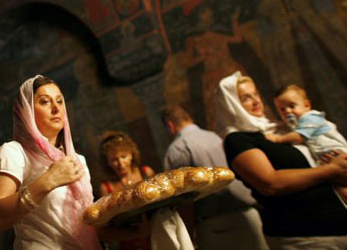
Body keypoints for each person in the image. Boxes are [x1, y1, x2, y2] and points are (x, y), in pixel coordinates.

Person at [214, 71, 347, 249]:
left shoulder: (279, 128)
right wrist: (332, 170)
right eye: (246, 98)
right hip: (304, 236)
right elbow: (270, 183)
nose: (256, 101)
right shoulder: (237, 139)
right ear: (231, 104)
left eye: (256, 94)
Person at [0, 75, 105, 249]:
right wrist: (49, 179)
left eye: (59, 101)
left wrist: (138, 230)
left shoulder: (77, 160)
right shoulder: (15, 152)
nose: (56, 108)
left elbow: (88, 226)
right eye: (45, 102)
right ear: (27, 111)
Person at [161, 105, 267, 250]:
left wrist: (188, 235)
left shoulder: (177, 148)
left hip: (215, 223)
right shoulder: (215, 136)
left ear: (170, 126)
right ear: (189, 118)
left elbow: (183, 196)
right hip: (248, 213)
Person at [266, 84, 347, 202]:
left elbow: (299, 137)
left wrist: (278, 139)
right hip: (328, 159)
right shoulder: (298, 124)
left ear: (306, 105)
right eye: (282, 109)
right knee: (340, 189)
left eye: (292, 106)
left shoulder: (310, 118)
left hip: (338, 153)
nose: (287, 111)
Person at [98, 130, 155, 250]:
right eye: (114, 159)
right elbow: (108, 225)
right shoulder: (106, 187)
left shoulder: (146, 173)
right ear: (107, 162)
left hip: (155, 234)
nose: (120, 163)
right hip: (128, 243)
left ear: (131, 155)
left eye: (123, 157)